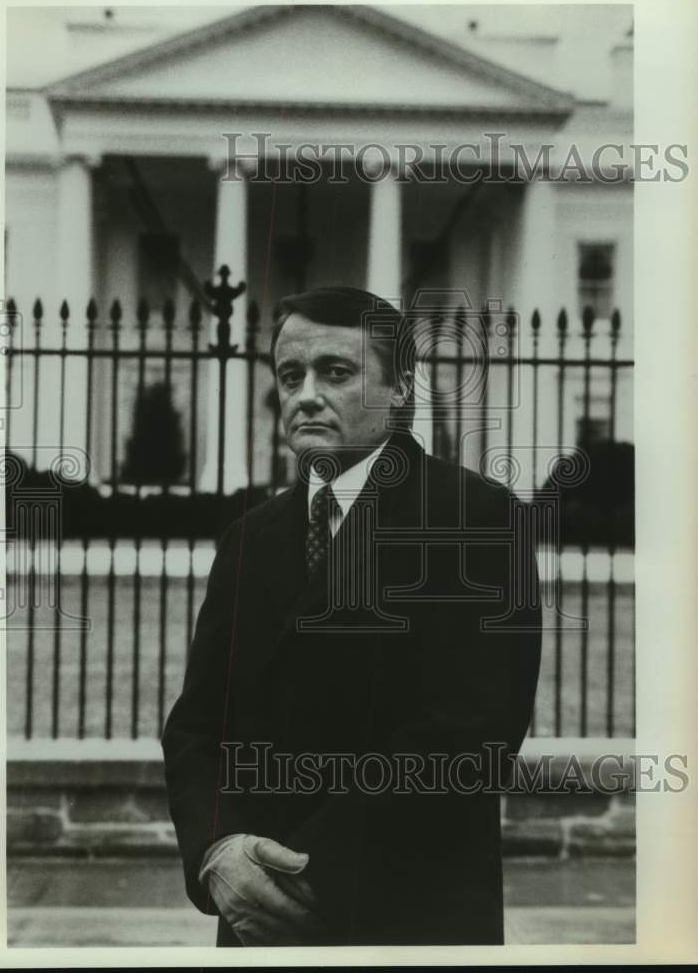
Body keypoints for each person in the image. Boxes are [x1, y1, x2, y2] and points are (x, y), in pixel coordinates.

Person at [162, 286, 542, 946]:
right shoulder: (249, 537)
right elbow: (198, 726)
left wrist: (309, 869)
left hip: (405, 908)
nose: (304, 394)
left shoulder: (474, 518)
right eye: (289, 375)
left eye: (334, 372)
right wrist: (218, 850)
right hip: (254, 913)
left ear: (400, 390)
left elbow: (468, 733)